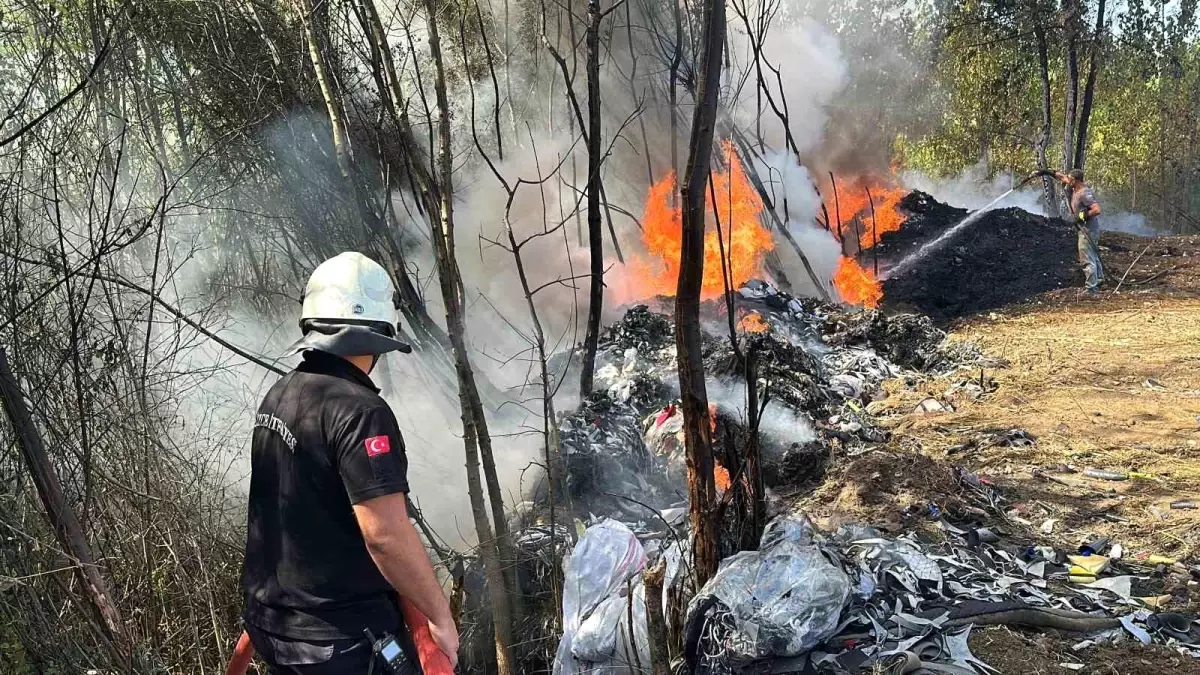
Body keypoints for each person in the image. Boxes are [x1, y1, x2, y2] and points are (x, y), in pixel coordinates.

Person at [236, 252, 458, 674]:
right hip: (339, 642)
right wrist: (440, 618)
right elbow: (385, 535)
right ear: (377, 334)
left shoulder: (282, 392)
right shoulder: (361, 412)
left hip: (273, 625)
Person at [1033, 168, 1105, 293]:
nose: (1067, 180)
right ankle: (1098, 279)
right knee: (1093, 255)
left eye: (1070, 179)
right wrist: (1045, 172)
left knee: (1087, 257)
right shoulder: (1074, 186)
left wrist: (1081, 216)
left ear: (1076, 180)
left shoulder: (1084, 193)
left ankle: (1091, 288)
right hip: (1084, 229)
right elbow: (1062, 177)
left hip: (1088, 230)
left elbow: (1097, 209)